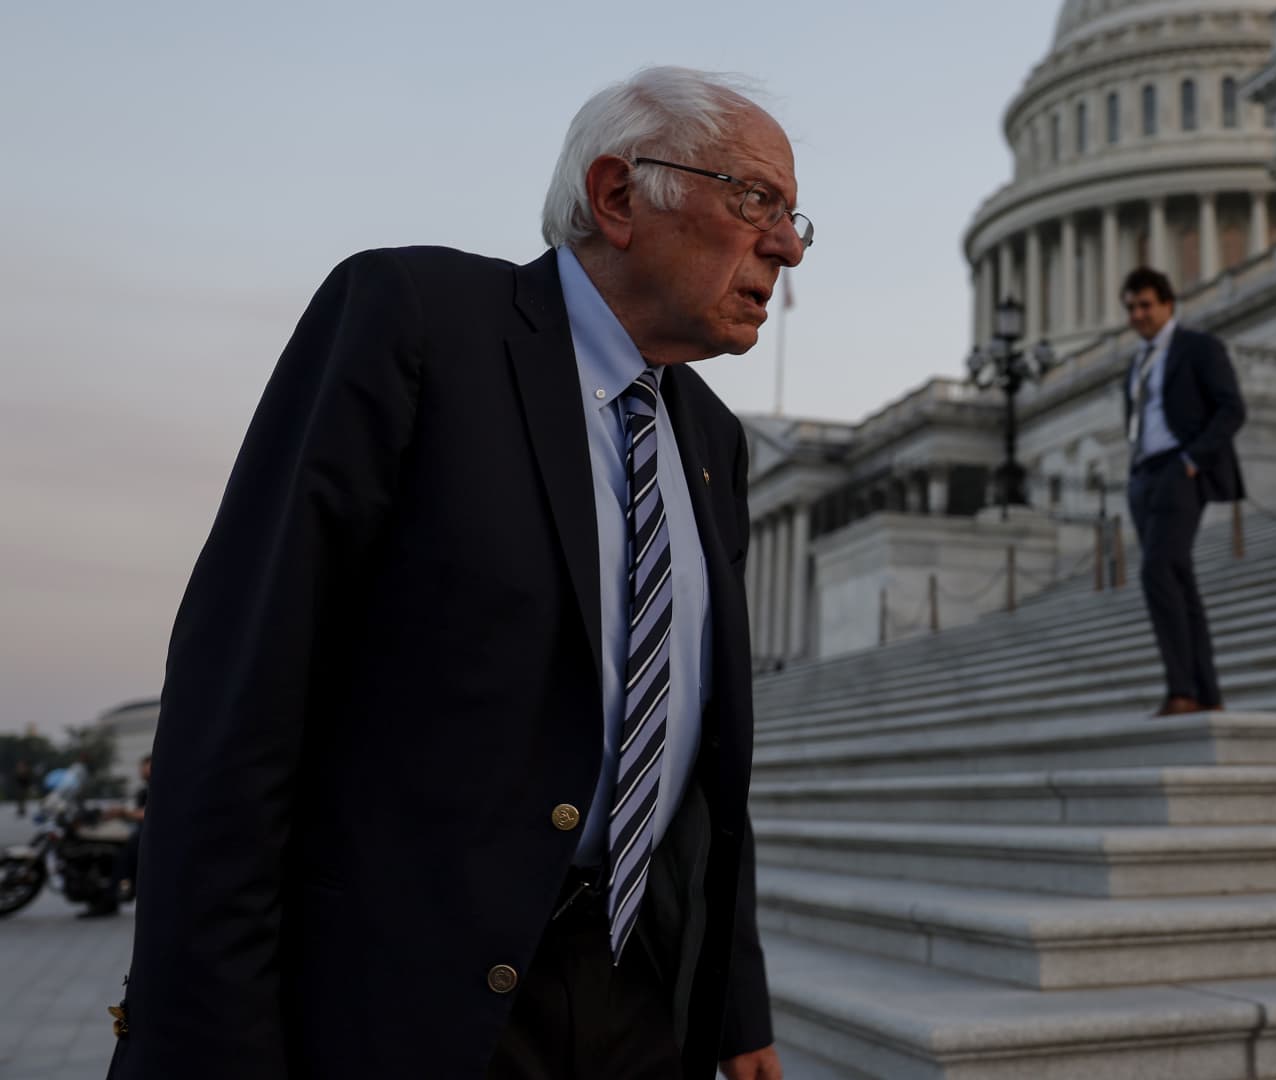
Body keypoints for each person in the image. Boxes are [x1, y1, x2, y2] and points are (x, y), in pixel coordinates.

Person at [109, 67, 805, 1080]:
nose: (784, 245)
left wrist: (735, 1005)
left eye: (793, 218)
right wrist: (205, 1043)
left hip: (633, 1001)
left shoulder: (713, 441)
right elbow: (241, 700)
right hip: (407, 1002)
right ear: (618, 196)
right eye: (755, 200)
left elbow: (702, 774)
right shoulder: (417, 323)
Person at [1118, 267, 1246, 717]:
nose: (1138, 315)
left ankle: (1181, 689)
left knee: (1157, 572)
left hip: (1179, 469)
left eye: (1146, 305)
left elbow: (1232, 409)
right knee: (1179, 581)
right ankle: (1206, 692)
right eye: (1131, 307)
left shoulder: (1197, 348)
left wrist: (1192, 462)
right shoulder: (1136, 362)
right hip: (1145, 475)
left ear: (1168, 303)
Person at [110, 755, 151, 904]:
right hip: (141, 832)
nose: (143, 770)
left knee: (126, 855)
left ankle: (121, 889)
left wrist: (124, 813)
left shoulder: (159, 789)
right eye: (143, 766)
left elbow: (150, 812)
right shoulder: (143, 791)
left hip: (148, 835)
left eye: (147, 766)